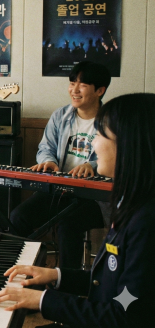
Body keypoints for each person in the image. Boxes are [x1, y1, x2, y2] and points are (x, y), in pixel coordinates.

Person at [0, 93, 155, 327]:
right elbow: (109, 284)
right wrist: (56, 276)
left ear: (129, 145)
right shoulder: (132, 206)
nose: (93, 144)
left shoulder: (146, 222)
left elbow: (126, 315)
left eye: (100, 135)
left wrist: (42, 300)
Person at [10, 61, 111, 269]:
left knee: (68, 224)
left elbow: (119, 157)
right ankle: (24, 271)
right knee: (18, 217)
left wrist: (92, 166)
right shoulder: (60, 116)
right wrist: (48, 161)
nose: (74, 90)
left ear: (100, 90)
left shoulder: (112, 120)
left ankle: (66, 282)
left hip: (95, 197)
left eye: (82, 85)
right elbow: (45, 147)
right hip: (60, 190)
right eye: (72, 83)